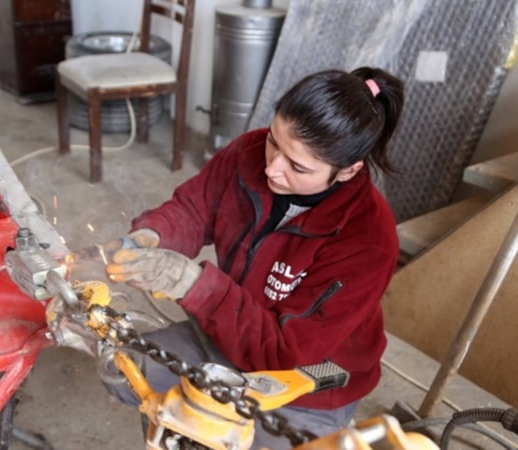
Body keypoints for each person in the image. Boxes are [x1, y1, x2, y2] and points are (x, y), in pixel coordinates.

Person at [100, 66, 404, 449]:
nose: (272, 168)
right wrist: (154, 234)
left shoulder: (367, 240)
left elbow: (283, 350)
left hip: (302, 380)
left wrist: (193, 285)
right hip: (225, 333)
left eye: (298, 166)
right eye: (275, 141)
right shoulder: (248, 152)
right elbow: (195, 209)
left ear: (348, 171)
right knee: (120, 373)